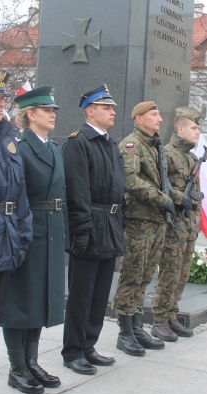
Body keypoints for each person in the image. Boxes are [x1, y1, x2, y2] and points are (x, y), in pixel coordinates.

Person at [1, 86, 67, 394]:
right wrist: (16, 238)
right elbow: (13, 195)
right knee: (20, 301)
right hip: (28, 231)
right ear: (31, 114)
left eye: (53, 110)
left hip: (51, 231)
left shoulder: (53, 148)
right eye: (48, 110)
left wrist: (64, 232)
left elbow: (61, 196)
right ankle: (16, 368)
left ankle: (31, 362)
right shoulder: (18, 147)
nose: (54, 114)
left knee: (39, 300)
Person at [61, 85, 126, 375]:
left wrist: (119, 223)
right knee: (81, 293)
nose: (113, 111)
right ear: (90, 110)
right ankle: (73, 350)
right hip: (90, 224)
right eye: (106, 107)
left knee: (100, 293)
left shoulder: (111, 144)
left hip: (109, 224)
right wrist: (82, 231)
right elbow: (77, 192)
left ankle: (89, 345)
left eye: (112, 107)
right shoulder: (79, 143)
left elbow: (118, 190)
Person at [0, 70, 33, 394]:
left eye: (3, 97)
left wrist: (23, 236)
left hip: (5, 241)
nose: (3, 102)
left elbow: (20, 196)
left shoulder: (7, 138)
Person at [112, 101, 176, 357]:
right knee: (132, 276)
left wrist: (170, 198)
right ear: (139, 118)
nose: (160, 118)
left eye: (159, 113)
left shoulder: (154, 145)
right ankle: (125, 332)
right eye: (154, 114)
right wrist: (162, 199)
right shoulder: (132, 144)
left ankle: (137, 326)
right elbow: (130, 180)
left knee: (146, 276)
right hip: (139, 221)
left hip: (155, 220)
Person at [151, 106, 204, 341]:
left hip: (189, 226)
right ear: (180, 129)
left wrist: (198, 220)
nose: (197, 132)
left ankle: (172, 314)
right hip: (174, 225)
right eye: (194, 128)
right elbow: (162, 186)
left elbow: (197, 195)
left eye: (198, 129)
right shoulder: (167, 154)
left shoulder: (192, 157)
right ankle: (159, 319)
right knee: (169, 273)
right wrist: (178, 198)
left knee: (182, 274)